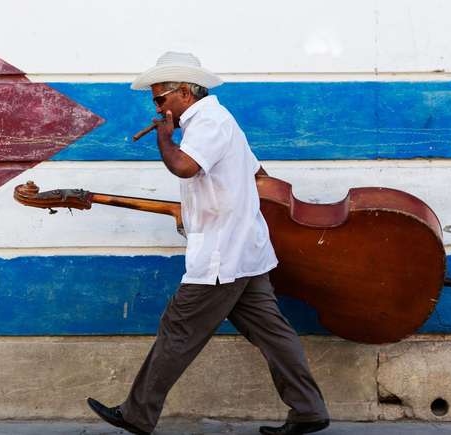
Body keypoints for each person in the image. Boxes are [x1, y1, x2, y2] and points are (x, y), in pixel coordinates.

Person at [86, 51, 330, 435]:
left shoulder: (206, 123)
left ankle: (137, 414)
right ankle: (308, 409)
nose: (157, 107)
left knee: (178, 329)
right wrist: (218, 203)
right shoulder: (221, 121)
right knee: (273, 333)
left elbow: (186, 166)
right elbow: (257, 173)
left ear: (184, 92)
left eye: (159, 99)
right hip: (245, 251)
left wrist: (165, 140)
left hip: (221, 255)